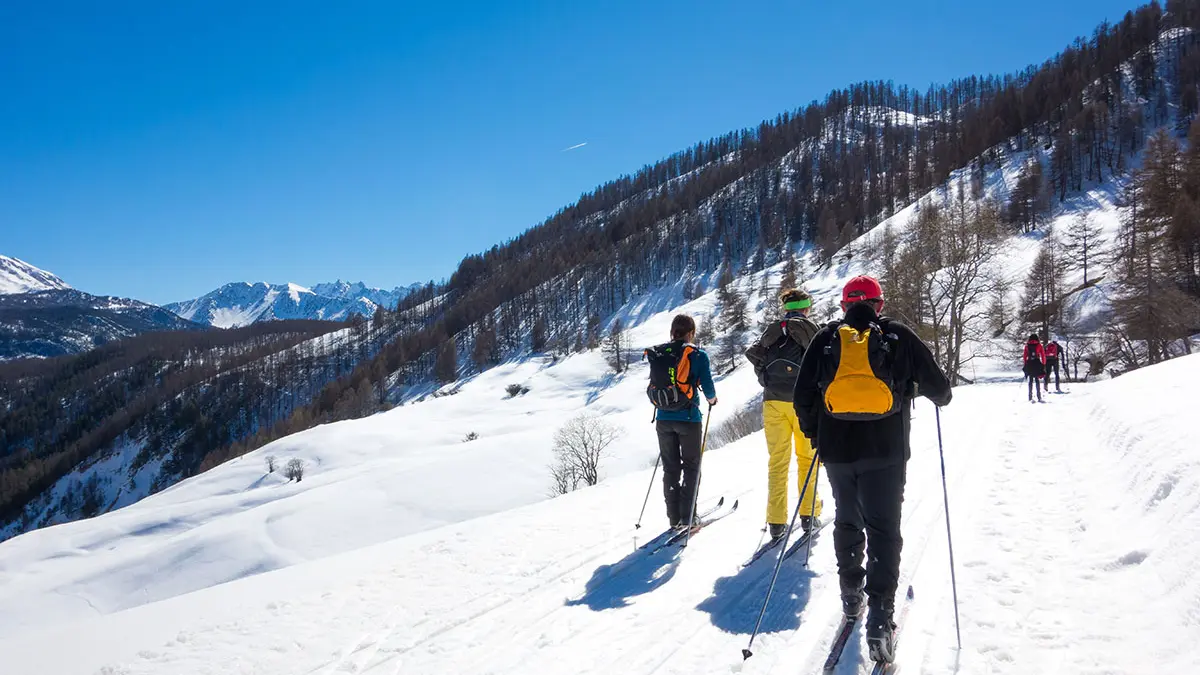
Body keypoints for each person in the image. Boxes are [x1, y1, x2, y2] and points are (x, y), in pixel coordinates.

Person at [793, 275, 951, 663]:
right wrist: (914, 388)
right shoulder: (897, 336)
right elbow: (942, 391)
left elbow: (801, 396)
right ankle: (880, 614)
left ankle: (851, 592)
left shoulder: (826, 338)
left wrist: (816, 434)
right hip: (887, 450)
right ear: (879, 304)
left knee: (847, 518)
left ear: (845, 305)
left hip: (838, 450)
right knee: (883, 527)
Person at [744, 288, 823, 540]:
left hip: (773, 402)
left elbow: (754, 354)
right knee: (807, 459)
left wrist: (765, 379)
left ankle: (776, 521)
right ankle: (809, 515)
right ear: (806, 307)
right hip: (803, 403)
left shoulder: (773, 330)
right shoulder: (812, 328)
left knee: (778, 462)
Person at [652, 314, 718, 530]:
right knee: (691, 466)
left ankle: (673, 518)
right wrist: (712, 399)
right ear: (692, 332)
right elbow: (707, 385)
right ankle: (688, 516)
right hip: (689, 418)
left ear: (673, 331)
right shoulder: (697, 355)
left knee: (670, 468)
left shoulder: (661, 353)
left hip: (663, 418)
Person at [1023, 334, 1046, 402]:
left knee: (1030, 380)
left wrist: (1025, 364)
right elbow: (1043, 355)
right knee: (1037, 380)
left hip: (1030, 363)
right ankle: (1039, 396)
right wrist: (1043, 364)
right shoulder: (1039, 345)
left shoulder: (1027, 346)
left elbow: (1024, 356)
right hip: (1037, 363)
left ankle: (1030, 396)